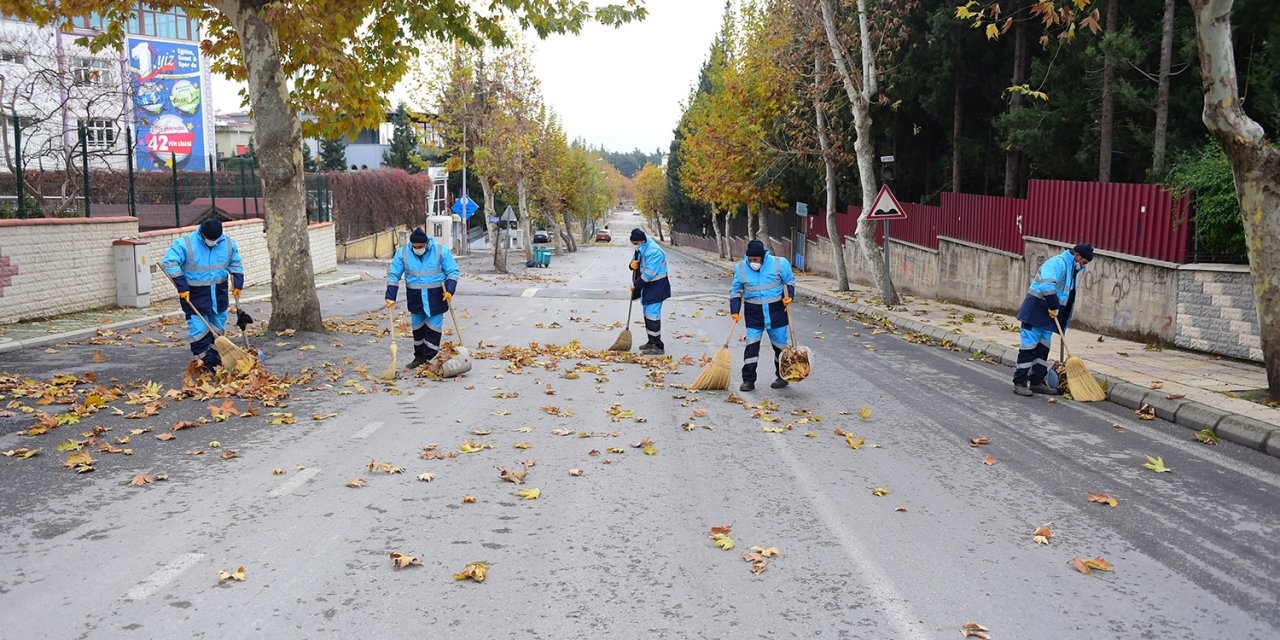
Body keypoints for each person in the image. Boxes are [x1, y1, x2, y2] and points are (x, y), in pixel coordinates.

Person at [162, 218, 244, 370]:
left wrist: (238, 283)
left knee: (217, 329)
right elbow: (170, 263)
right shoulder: (184, 244)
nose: (212, 242)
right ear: (202, 233)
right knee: (199, 331)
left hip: (219, 295)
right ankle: (203, 363)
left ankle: (216, 362)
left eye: (215, 239)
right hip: (195, 295)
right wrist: (182, 286)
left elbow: (235, 264)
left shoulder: (228, 243)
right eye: (209, 239)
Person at [1013, 243, 1093, 396]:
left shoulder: (1072, 269)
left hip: (1049, 315)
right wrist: (1054, 305)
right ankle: (1019, 383)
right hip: (1035, 311)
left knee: (1043, 349)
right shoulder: (1058, 263)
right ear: (1077, 256)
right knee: (1028, 348)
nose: (1084, 266)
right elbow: (1047, 285)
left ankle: (1037, 382)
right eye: (1084, 262)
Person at [386, 227, 460, 370]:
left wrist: (450, 290)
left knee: (433, 329)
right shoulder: (403, 253)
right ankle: (419, 357)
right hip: (415, 297)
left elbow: (452, 271)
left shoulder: (441, 251)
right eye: (415, 247)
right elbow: (394, 275)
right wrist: (390, 295)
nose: (417, 249)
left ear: (426, 243)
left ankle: (428, 358)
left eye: (420, 247)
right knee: (417, 329)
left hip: (437, 297)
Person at [730, 239, 796, 391]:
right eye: (750, 259)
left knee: (780, 347)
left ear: (763, 256)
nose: (753, 262)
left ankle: (782, 376)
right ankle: (748, 380)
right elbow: (736, 290)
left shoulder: (780, 263)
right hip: (754, 313)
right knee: (751, 346)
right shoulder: (741, 268)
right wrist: (734, 310)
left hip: (776, 311)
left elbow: (789, 281)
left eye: (755, 259)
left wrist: (789, 296)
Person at [629, 228, 670, 354]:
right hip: (648, 287)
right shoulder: (641, 248)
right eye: (633, 244)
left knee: (653, 316)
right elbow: (635, 262)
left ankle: (658, 346)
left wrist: (635, 285)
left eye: (635, 243)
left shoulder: (654, 251)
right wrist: (631, 265)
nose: (634, 246)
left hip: (657, 287)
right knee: (647, 315)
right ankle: (651, 341)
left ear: (642, 241)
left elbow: (649, 273)